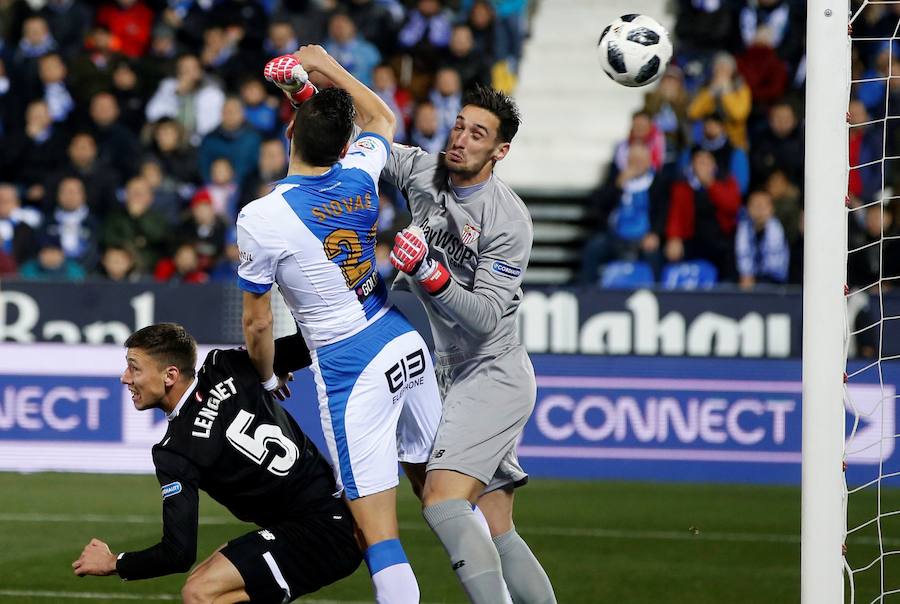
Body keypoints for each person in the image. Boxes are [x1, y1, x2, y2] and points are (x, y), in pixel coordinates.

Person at [243, 47, 441, 604]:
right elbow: (382, 118)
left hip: (352, 368)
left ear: (289, 131)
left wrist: (264, 378)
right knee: (444, 501)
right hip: (402, 338)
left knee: (376, 537)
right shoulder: (359, 173)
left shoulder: (262, 216)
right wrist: (326, 67)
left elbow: (258, 323)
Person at [384, 85, 557, 603]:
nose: (460, 138)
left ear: (499, 152)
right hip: (450, 370)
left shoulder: (508, 219)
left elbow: (483, 318)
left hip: (494, 371)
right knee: (497, 524)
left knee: (440, 499)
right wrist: (313, 83)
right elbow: (363, 141)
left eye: (477, 134)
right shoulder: (425, 173)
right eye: (459, 125)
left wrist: (429, 272)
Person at [71, 323, 361, 602]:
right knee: (212, 582)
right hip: (340, 507)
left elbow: (178, 553)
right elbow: (305, 345)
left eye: (134, 367)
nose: (125, 377)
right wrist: (272, 372)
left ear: (170, 375)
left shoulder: (175, 451)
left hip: (321, 533)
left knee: (201, 592)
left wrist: (114, 562)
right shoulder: (226, 365)